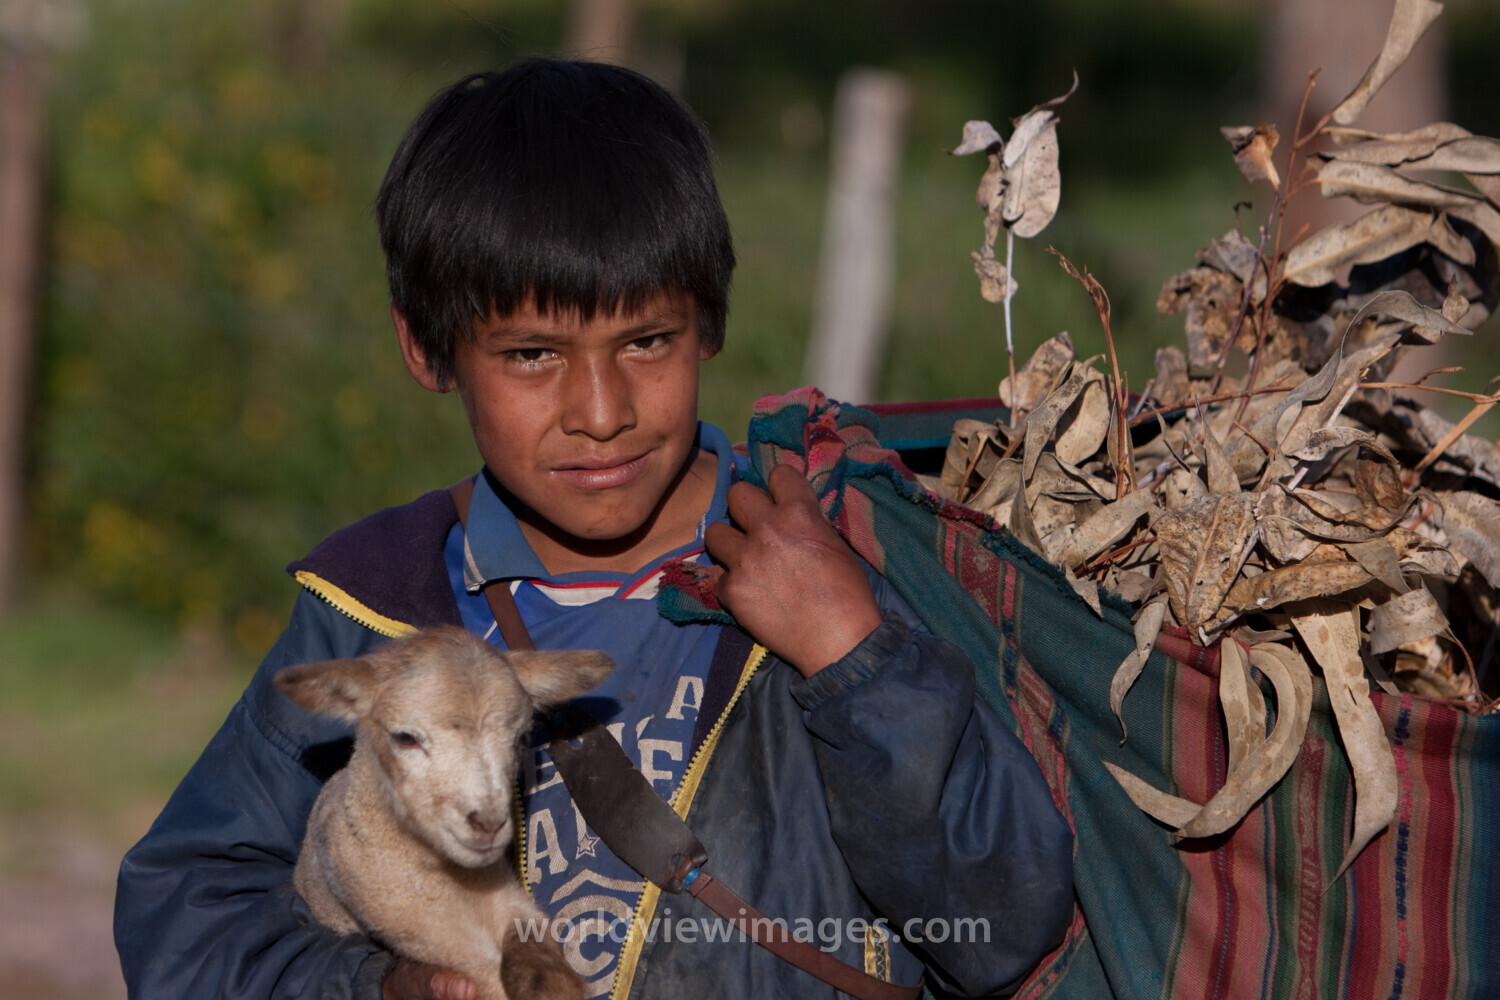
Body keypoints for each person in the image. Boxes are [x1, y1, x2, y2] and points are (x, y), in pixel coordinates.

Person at [114, 57, 1074, 1000]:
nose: (603, 410)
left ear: (710, 320)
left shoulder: (836, 557)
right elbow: (189, 912)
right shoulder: (374, 601)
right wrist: (378, 985)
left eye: (647, 341)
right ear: (427, 347)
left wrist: (851, 657)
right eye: (532, 355)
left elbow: (996, 930)